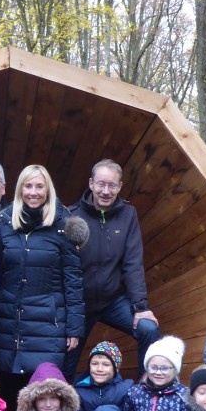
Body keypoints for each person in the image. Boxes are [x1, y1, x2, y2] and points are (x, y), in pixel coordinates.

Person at [0, 164, 85, 408]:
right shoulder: (4, 222)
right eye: (28, 186)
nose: (33, 192)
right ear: (19, 189)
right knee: (10, 394)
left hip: (48, 325)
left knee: (43, 399)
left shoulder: (63, 225)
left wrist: (74, 328)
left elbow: (73, 280)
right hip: (9, 323)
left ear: (48, 190)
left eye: (39, 186)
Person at [64, 159, 159, 380]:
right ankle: (63, 406)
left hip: (112, 301)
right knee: (65, 361)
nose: (106, 191)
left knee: (148, 329)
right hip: (80, 305)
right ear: (91, 183)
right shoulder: (71, 216)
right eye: (101, 184)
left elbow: (133, 263)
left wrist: (140, 307)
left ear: (120, 186)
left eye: (112, 185)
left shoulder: (128, 215)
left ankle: (146, 391)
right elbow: (64, 267)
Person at [122, 335, 189, 411]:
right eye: (153, 367)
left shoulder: (184, 396)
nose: (158, 372)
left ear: (175, 370)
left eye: (165, 368)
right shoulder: (135, 393)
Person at [73, 341, 134, 411]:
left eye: (106, 364)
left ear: (116, 369)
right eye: (95, 364)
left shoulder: (126, 389)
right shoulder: (79, 391)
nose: (99, 369)